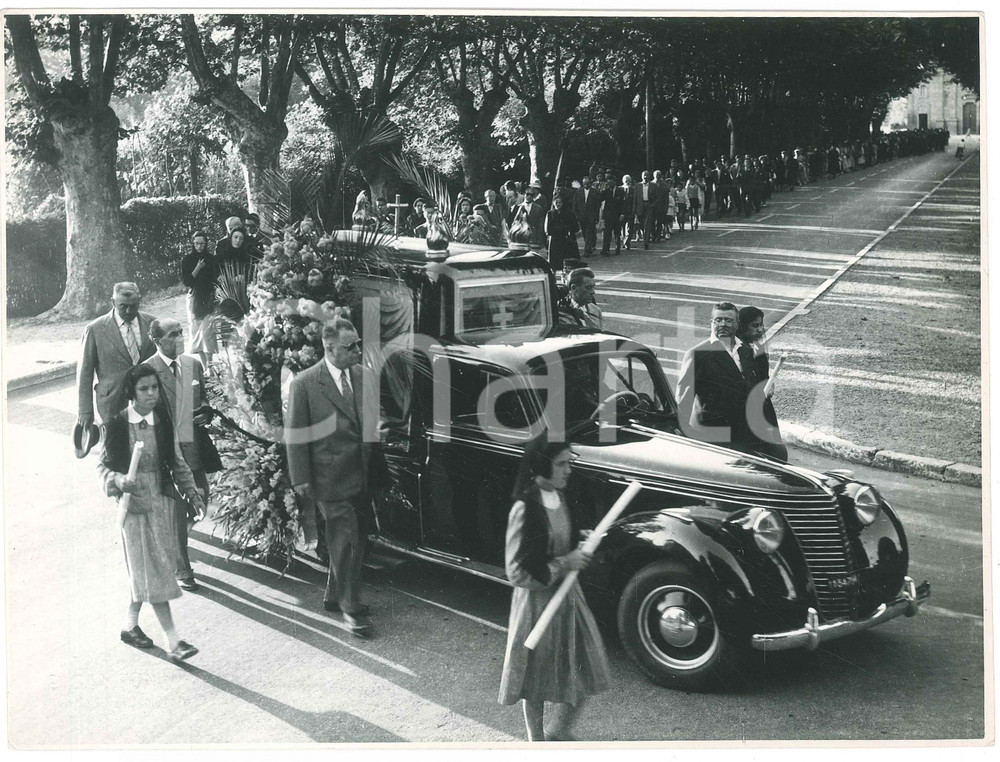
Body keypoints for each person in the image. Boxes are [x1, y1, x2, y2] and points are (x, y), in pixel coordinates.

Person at [498, 434, 611, 742]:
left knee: (586, 667)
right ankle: (537, 742)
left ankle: (559, 731)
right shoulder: (524, 507)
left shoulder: (563, 496)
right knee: (534, 681)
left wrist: (581, 541)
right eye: (561, 464)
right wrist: (564, 562)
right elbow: (516, 571)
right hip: (537, 603)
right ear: (541, 465)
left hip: (569, 598)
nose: (568, 470)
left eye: (569, 462)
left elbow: (564, 540)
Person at [98, 364, 206, 661]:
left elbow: (176, 462)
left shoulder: (161, 421)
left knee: (148, 569)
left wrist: (192, 493)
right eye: (144, 389)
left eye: (155, 387)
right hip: (133, 508)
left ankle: (129, 626)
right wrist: (119, 480)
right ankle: (175, 642)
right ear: (131, 393)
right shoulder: (117, 424)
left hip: (161, 503)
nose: (151, 394)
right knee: (154, 571)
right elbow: (102, 469)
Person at [287, 319, 377, 638]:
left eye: (358, 343)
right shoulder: (305, 383)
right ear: (329, 348)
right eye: (351, 346)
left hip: (361, 473)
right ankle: (351, 608)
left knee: (354, 537)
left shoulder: (364, 376)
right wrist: (300, 478)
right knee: (347, 538)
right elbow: (296, 435)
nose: (358, 350)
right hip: (328, 477)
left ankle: (334, 594)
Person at [144, 319, 222, 590]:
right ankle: (181, 567)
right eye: (172, 334)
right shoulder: (147, 371)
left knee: (202, 498)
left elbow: (204, 398)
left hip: (194, 446)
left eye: (181, 332)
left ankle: (172, 542)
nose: (180, 337)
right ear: (157, 341)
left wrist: (205, 412)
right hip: (167, 453)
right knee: (177, 510)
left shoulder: (192, 364)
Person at [675, 302, 753, 453]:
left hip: (743, 433)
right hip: (712, 435)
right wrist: (683, 435)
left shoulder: (746, 351)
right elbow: (683, 401)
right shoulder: (698, 354)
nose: (723, 324)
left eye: (728, 320)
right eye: (718, 320)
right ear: (711, 323)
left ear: (737, 324)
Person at [78, 282, 157, 430]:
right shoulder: (94, 330)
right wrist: (85, 410)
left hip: (148, 399)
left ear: (139, 301)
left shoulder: (152, 323)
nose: (128, 311)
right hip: (112, 402)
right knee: (116, 441)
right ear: (113, 302)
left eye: (133, 306)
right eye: (123, 306)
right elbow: (85, 372)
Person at [736, 307, 789, 463]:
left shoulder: (758, 347)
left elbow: (763, 374)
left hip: (764, 405)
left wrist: (769, 384)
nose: (760, 329)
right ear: (743, 326)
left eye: (761, 325)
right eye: (755, 325)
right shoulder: (739, 351)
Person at [180, 230, 220, 365]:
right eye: (197, 243)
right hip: (195, 298)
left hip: (209, 297)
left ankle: (210, 364)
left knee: (208, 332)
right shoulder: (188, 259)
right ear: (193, 243)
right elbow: (187, 282)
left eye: (202, 243)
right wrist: (197, 268)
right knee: (197, 333)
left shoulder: (212, 259)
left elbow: (216, 278)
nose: (199, 246)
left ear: (206, 244)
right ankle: (205, 367)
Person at [543, 192, 580, 274]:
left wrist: (567, 229)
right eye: (556, 202)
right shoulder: (550, 214)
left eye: (560, 202)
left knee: (566, 260)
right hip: (555, 240)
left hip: (566, 239)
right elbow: (547, 228)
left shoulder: (569, 213)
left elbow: (575, 227)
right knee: (554, 261)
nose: (558, 204)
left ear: (563, 203)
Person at [572, 176, 601, 257]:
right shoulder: (578, 192)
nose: (586, 185)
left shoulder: (595, 192)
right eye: (585, 184)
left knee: (589, 233)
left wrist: (596, 217)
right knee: (584, 232)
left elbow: (597, 206)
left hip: (591, 217)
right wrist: (576, 215)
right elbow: (575, 204)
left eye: (588, 184)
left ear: (590, 184)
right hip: (581, 216)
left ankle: (587, 250)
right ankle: (589, 245)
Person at [633, 170, 656, 249]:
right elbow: (635, 198)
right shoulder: (637, 185)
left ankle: (646, 242)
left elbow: (657, 197)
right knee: (641, 224)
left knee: (647, 224)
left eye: (647, 175)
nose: (645, 177)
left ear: (649, 176)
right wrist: (634, 209)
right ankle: (645, 235)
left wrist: (653, 205)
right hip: (640, 206)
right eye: (644, 175)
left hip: (649, 205)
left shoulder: (653, 185)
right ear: (641, 176)